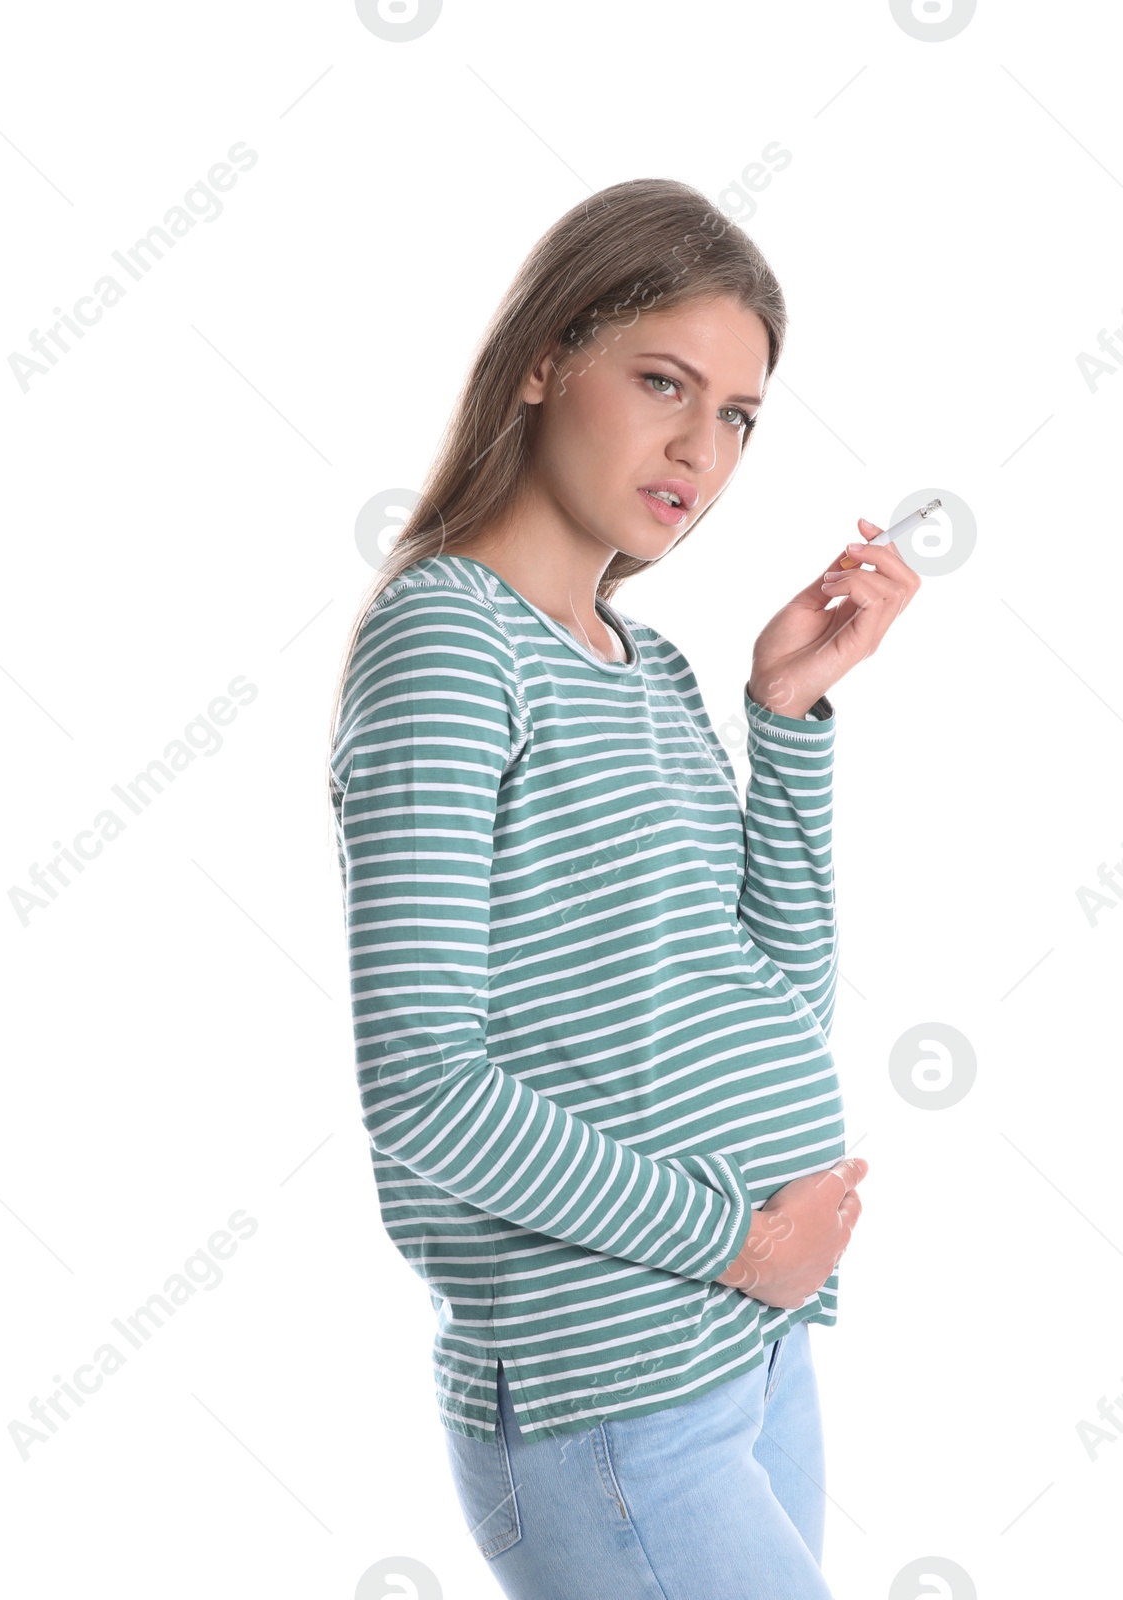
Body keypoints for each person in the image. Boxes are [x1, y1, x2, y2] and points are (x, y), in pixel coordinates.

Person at [326, 177, 919, 1599]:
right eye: (663, 381)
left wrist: (783, 721)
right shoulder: (450, 644)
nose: (698, 448)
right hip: (616, 1391)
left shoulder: (637, 663)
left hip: (748, 1349)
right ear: (543, 361)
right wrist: (738, 1242)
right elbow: (423, 1086)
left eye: (736, 416)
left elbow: (767, 1000)